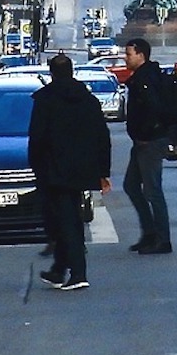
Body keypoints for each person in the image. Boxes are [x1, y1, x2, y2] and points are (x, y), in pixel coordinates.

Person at [27, 55, 111, 291]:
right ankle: (59, 270)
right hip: (83, 169)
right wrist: (103, 171)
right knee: (69, 217)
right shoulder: (88, 100)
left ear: (51, 72)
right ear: (72, 71)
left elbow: (37, 138)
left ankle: (77, 272)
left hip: (54, 169)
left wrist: (36, 167)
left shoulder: (45, 100)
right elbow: (102, 137)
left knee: (66, 221)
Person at [120, 38, 177, 254]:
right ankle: (149, 233)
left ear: (141, 55)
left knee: (153, 190)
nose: (125, 58)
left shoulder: (147, 79)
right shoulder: (143, 77)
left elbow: (154, 109)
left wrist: (146, 134)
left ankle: (163, 240)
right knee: (131, 185)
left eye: (128, 54)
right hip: (143, 142)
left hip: (150, 141)